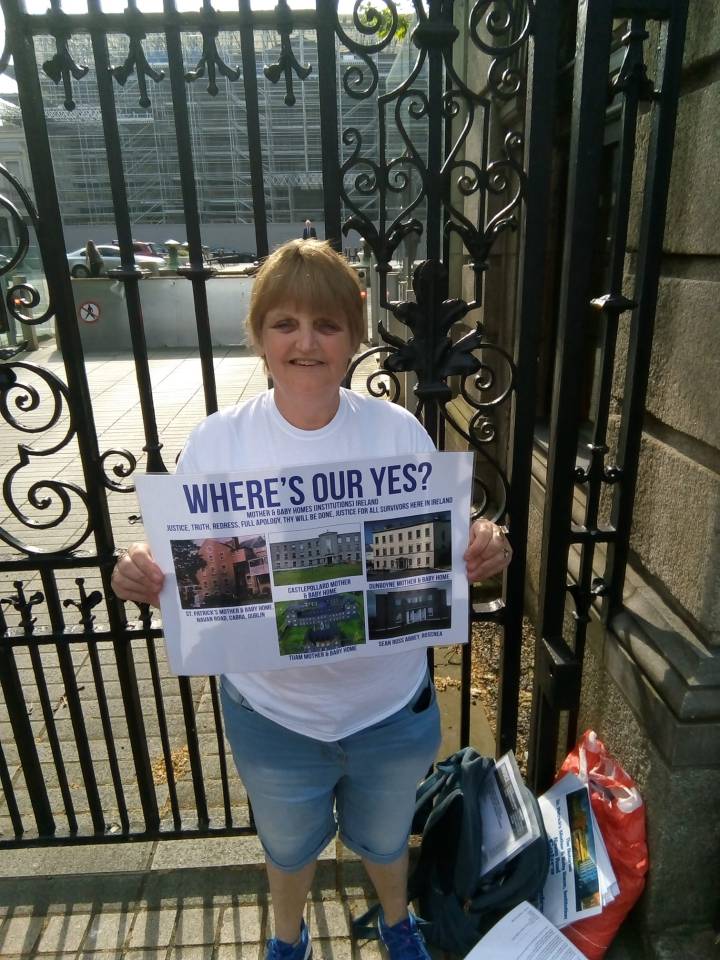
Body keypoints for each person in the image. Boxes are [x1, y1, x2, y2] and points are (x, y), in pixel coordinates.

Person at [112, 239, 512, 960]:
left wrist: (487, 543)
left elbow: (454, 545)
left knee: (388, 838)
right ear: (261, 336)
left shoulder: (396, 434)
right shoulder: (217, 444)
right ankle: (286, 939)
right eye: (285, 322)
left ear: (353, 338)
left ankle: (397, 925)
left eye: (326, 324)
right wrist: (139, 572)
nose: (305, 341)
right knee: (289, 847)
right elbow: (180, 569)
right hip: (273, 716)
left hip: (389, 709)